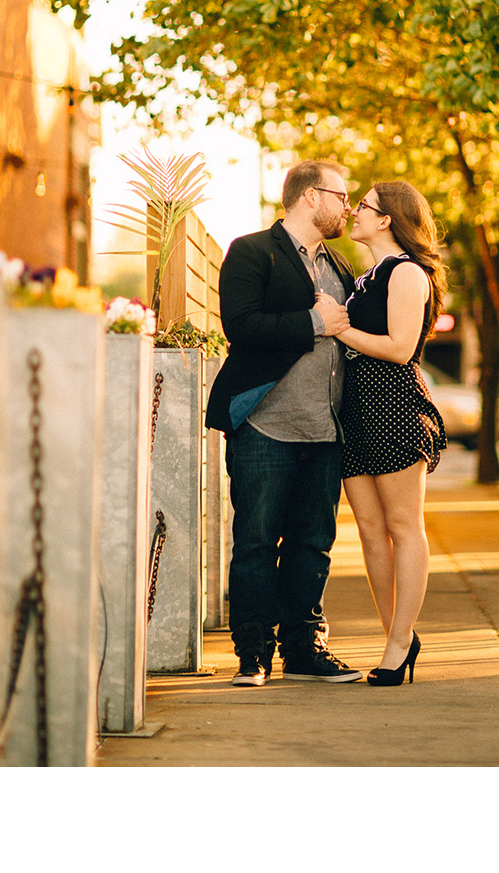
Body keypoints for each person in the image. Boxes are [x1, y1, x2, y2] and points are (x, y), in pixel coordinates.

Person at [204, 158, 364, 686]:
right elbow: (242, 325)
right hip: (266, 427)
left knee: (313, 543)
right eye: (341, 196)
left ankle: (304, 649)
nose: (348, 206)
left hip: (325, 432)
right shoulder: (251, 251)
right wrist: (314, 323)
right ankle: (252, 655)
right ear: (310, 197)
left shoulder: (340, 267)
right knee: (254, 541)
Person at [331, 180, 449, 685]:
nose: (353, 211)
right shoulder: (367, 275)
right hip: (355, 409)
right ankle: (396, 638)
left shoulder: (406, 273)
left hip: (394, 405)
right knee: (369, 533)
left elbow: (401, 348)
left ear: (386, 220)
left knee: (403, 527)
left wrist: (338, 328)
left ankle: (399, 644)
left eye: (362, 205)